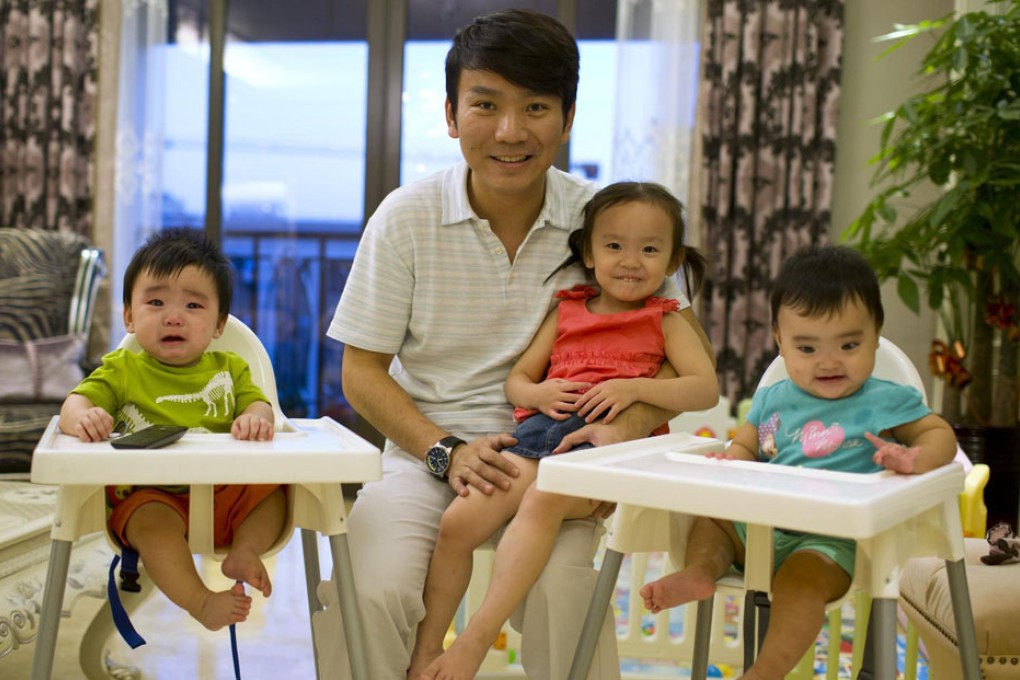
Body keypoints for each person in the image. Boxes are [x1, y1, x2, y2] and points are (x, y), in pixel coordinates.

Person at [324, 9, 713, 679]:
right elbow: (360, 372)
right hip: (427, 457)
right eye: (485, 104)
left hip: (562, 461)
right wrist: (444, 450)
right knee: (368, 588)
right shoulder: (405, 217)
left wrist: (621, 433)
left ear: (566, 119)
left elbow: (682, 362)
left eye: (535, 107)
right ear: (450, 114)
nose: (510, 131)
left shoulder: (611, 224)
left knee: (565, 592)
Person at [408, 182, 720, 680]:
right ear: (589, 255)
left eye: (650, 249)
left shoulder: (666, 320)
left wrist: (634, 390)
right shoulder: (568, 309)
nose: (630, 260)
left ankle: (476, 639)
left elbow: (705, 389)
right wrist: (539, 395)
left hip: (602, 459)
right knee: (458, 524)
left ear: (673, 259)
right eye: (614, 245)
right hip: (538, 442)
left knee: (542, 500)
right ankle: (428, 650)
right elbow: (518, 381)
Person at [639, 245, 958, 680]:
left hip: (828, 542)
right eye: (806, 348)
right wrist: (729, 464)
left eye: (849, 344)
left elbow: (940, 435)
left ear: (875, 334)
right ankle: (700, 571)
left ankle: (765, 671)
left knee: (800, 585)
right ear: (779, 340)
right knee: (711, 522)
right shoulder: (773, 398)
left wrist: (914, 459)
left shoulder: (887, 399)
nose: (829, 362)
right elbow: (747, 447)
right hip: (756, 528)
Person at [58, 228, 285, 632]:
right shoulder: (121, 369)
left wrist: (255, 418)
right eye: (156, 301)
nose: (173, 316)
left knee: (275, 494)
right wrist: (83, 418)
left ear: (219, 324)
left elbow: (261, 406)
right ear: (129, 315)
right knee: (152, 523)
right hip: (152, 496)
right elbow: (73, 406)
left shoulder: (229, 368)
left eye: (193, 305)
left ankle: (245, 552)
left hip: (225, 494)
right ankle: (200, 602)